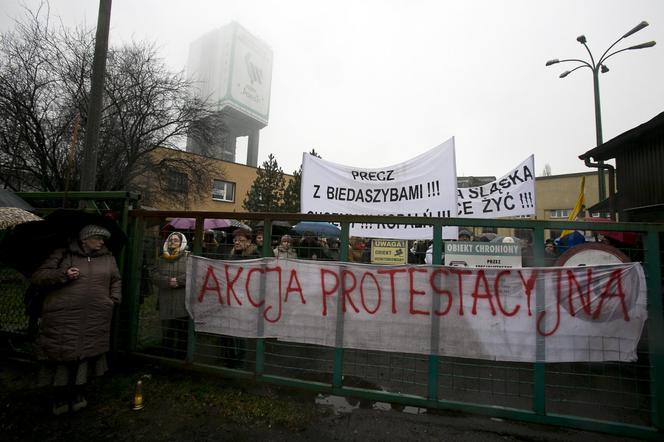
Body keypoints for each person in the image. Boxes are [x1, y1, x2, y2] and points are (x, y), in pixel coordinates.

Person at [30, 224, 121, 415]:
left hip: (95, 314)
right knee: (63, 352)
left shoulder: (108, 257)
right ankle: (60, 395)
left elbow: (115, 280)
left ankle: (79, 392)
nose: (102, 242)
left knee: (86, 352)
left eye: (103, 239)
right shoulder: (63, 254)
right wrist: (63, 274)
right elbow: (39, 276)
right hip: (64, 314)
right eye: (98, 238)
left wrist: (112, 300)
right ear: (84, 239)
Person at [157, 232, 189, 359]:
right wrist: (167, 281)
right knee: (167, 331)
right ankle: (167, 357)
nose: (173, 242)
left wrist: (179, 281)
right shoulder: (161, 258)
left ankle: (182, 358)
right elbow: (153, 274)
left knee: (182, 331)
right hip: (166, 299)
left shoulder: (188, 257)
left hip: (182, 300)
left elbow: (193, 274)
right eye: (171, 240)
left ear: (182, 243)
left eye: (176, 240)